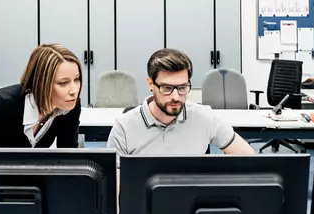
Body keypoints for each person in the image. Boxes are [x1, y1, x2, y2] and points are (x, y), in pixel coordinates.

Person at [107, 48, 255, 158]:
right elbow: (114, 190)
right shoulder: (124, 127)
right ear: (151, 84)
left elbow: (249, 158)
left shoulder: (204, 117)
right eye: (167, 88)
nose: (176, 96)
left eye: (183, 87)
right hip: (144, 200)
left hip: (193, 199)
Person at [0, 44, 82, 148]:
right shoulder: (3, 103)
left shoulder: (69, 106)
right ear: (41, 83)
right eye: (63, 83)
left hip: (13, 173)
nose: (74, 90)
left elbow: (68, 156)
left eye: (77, 79)